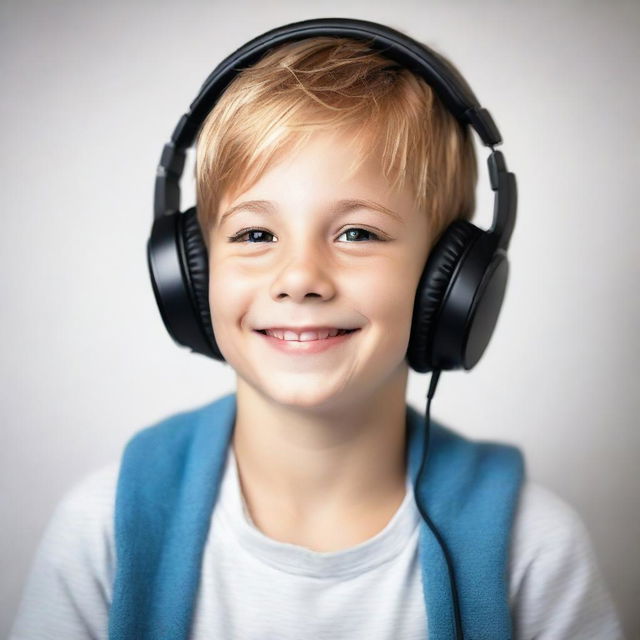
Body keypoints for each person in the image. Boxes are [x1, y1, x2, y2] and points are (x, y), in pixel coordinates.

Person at [10, 22, 624, 640]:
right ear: (190, 272)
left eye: (358, 233)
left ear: (453, 279)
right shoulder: (104, 532)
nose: (300, 277)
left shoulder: (534, 551)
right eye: (255, 235)